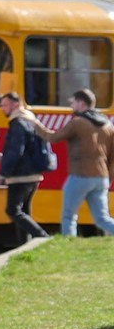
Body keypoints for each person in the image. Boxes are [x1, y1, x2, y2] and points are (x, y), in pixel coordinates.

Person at [57, 86, 114, 238]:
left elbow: (53, 138)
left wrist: (35, 124)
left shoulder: (78, 122)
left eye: (73, 102)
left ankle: (68, 247)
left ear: (81, 104)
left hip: (80, 175)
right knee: (102, 219)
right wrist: (109, 177)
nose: (71, 106)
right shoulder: (108, 125)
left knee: (68, 216)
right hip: (101, 178)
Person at [0, 92, 52, 245]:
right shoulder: (31, 120)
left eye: (4, 105)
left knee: (12, 210)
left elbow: (16, 151)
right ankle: (24, 246)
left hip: (21, 176)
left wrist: (3, 173)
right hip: (33, 175)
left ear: (15, 104)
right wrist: (3, 157)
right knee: (24, 212)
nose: (2, 109)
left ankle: (43, 238)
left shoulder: (18, 123)